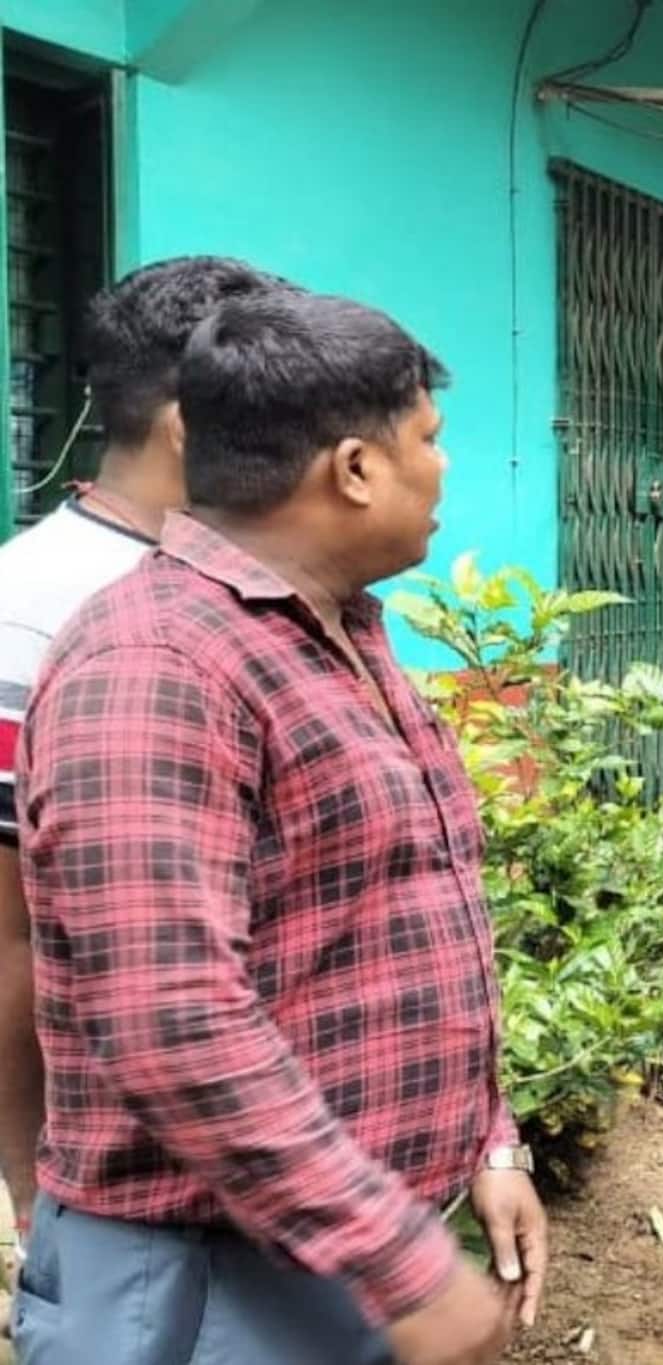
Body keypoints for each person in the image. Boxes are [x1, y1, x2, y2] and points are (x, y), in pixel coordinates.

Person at [13, 292, 545, 1365]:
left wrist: (491, 1142)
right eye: (428, 440)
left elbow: (394, 925)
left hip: (324, 1256)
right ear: (352, 469)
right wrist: (400, 1261)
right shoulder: (157, 665)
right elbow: (174, 1024)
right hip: (195, 1284)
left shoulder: (336, 635)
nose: (444, 468)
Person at [0, 257, 296, 1244]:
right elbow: (12, 938)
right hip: (137, 1191)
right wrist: (34, 1184)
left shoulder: (254, 583)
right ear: (188, 424)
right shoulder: (32, 616)